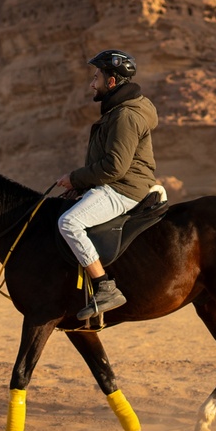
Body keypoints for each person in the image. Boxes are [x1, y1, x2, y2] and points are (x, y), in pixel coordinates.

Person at [57, 49, 159, 320]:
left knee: (69, 223)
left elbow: (115, 167)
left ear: (111, 82)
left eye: (96, 78)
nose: (92, 84)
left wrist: (75, 178)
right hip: (117, 183)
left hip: (124, 188)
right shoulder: (119, 110)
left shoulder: (126, 115)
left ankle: (104, 287)